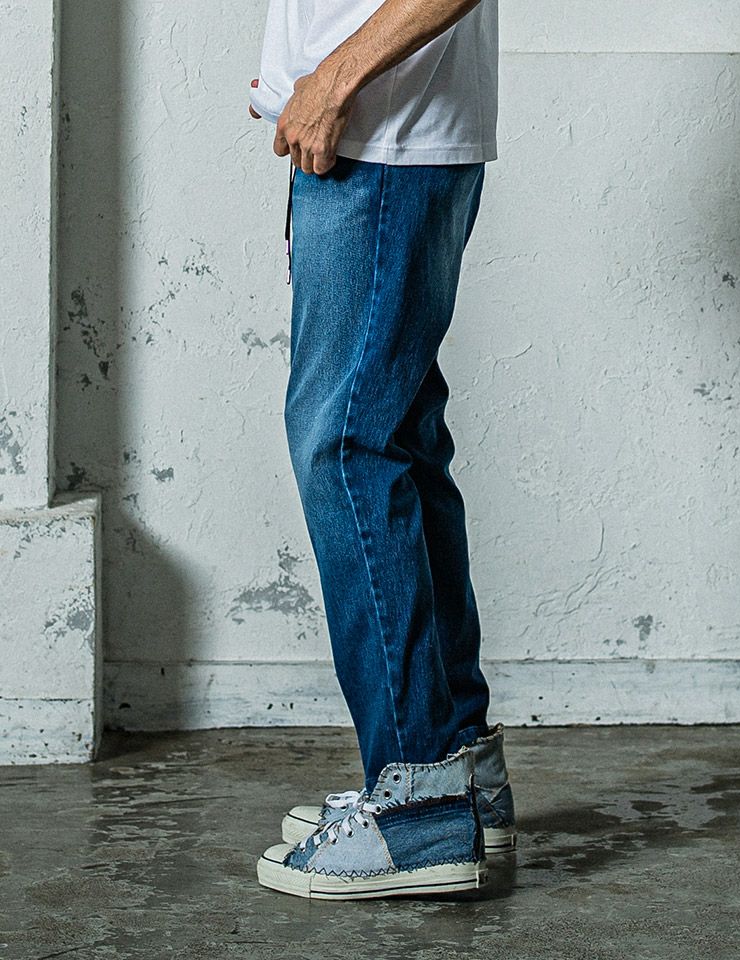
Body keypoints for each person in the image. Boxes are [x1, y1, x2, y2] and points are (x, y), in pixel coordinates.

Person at [248, 0, 515, 900]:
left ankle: (417, 808)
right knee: (398, 439)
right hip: (384, 135)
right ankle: (459, 773)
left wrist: (332, 78)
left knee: (347, 448)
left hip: (381, 136)